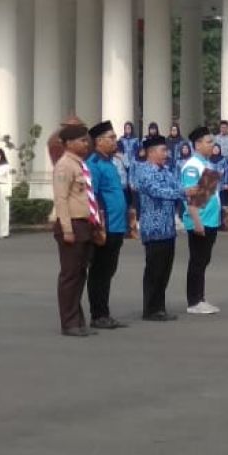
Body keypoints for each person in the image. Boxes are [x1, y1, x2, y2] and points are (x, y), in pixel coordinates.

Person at [133, 134, 188, 321]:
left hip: (168, 228)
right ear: (151, 152)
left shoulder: (166, 171)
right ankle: (150, 309)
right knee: (154, 270)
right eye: (163, 150)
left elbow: (178, 186)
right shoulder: (143, 171)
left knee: (165, 269)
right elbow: (156, 191)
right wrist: (181, 193)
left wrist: (193, 191)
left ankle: (159, 307)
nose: (167, 153)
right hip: (153, 228)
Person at [52, 124, 100, 337]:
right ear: (69, 143)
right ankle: (69, 322)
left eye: (86, 140)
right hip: (72, 223)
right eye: (81, 140)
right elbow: (61, 199)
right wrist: (66, 229)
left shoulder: (80, 164)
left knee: (80, 274)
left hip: (84, 223)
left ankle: (77, 320)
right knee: (70, 275)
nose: (86, 143)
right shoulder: (64, 166)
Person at [86, 121, 129, 329]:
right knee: (100, 271)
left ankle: (104, 311)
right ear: (98, 141)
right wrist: (98, 225)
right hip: (106, 227)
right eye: (111, 138)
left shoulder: (110, 162)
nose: (115, 141)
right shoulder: (94, 163)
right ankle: (98, 314)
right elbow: (92, 197)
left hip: (118, 226)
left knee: (109, 270)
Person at [181, 126, 222, 315]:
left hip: (210, 220)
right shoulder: (192, 166)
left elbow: (208, 193)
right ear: (197, 144)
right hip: (200, 221)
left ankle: (200, 298)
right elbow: (191, 196)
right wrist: (196, 222)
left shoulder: (207, 164)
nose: (212, 145)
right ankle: (194, 301)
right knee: (197, 261)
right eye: (208, 142)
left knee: (203, 260)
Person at [210, 143, 228, 208]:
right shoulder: (208, 159)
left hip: (222, 184)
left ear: (220, 150)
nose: (216, 150)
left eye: (217, 149)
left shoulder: (223, 159)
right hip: (211, 184)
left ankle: (223, 215)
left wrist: (226, 183)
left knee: (223, 202)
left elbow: (227, 171)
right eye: (214, 148)